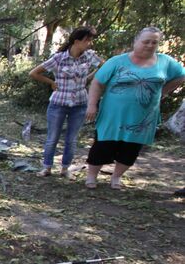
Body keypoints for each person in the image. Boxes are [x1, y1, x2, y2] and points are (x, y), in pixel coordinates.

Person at [84, 27, 185, 189]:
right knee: (103, 145)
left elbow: (181, 75)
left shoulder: (165, 62)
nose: (150, 45)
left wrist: (163, 92)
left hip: (144, 116)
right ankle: (91, 176)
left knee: (131, 149)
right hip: (113, 114)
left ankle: (116, 177)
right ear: (135, 41)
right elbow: (97, 82)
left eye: (154, 42)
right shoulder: (117, 61)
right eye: (146, 41)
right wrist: (91, 105)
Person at [29, 26, 102, 180]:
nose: (89, 43)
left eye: (90, 40)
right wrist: (51, 82)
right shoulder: (59, 58)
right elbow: (34, 73)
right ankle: (47, 167)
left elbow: (106, 66)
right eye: (87, 40)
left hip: (80, 103)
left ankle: (65, 169)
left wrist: (90, 77)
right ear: (76, 41)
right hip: (58, 103)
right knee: (53, 137)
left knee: (71, 138)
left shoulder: (89, 56)